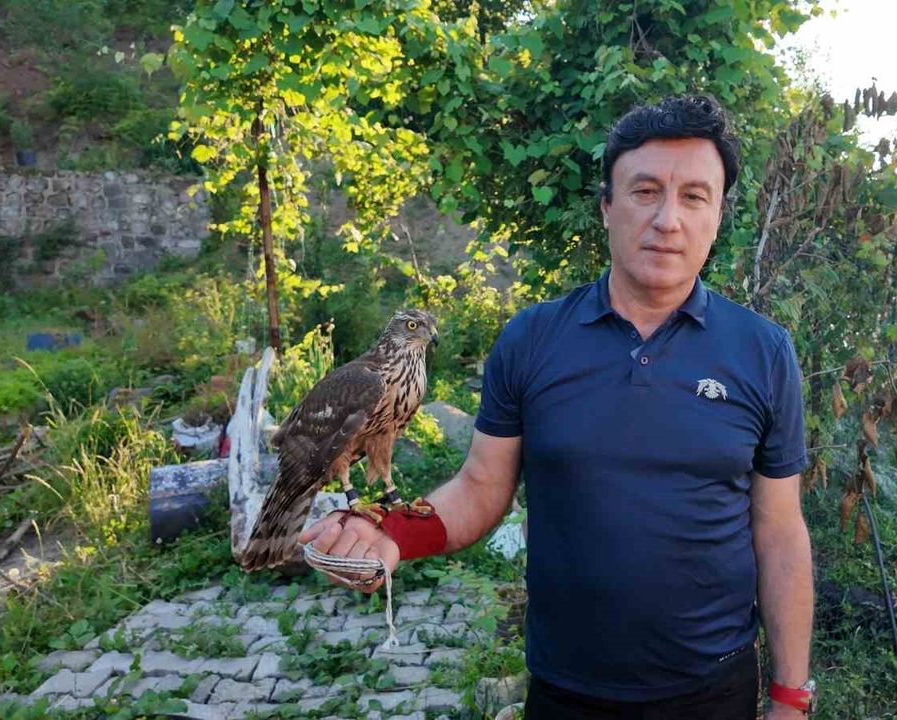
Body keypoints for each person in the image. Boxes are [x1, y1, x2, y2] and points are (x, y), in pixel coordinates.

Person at [300, 94, 816, 719]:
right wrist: (393, 531)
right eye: (645, 192)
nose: (667, 220)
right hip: (567, 689)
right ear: (606, 207)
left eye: (694, 197)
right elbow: (480, 489)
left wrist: (790, 696)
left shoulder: (762, 351)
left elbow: (779, 531)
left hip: (714, 688)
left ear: (717, 215)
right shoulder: (532, 339)